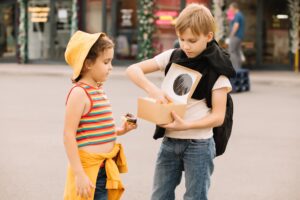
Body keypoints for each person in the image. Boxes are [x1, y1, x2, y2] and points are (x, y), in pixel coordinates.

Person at [126, 4, 235, 200]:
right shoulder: (173, 56)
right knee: (159, 196)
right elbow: (133, 70)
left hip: (199, 144)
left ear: (208, 36)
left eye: (192, 40)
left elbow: (218, 117)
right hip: (169, 141)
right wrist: (154, 90)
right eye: (182, 39)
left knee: (195, 197)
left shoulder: (218, 70)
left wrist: (187, 125)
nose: (186, 46)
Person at [63, 31, 137, 200]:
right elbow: (68, 135)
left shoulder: (98, 89)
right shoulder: (79, 93)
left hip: (103, 170)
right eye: (106, 62)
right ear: (88, 63)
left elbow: (95, 130)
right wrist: (79, 174)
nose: (111, 67)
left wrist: (120, 130)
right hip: (88, 172)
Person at [228, 2, 245, 69]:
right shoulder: (240, 15)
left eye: (230, 8)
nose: (230, 9)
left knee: (232, 51)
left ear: (234, 8)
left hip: (235, 36)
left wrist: (231, 35)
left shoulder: (237, 15)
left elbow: (236, 25)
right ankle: (239, 68)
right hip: (239, 36)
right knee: (237, 52)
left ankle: (235, 68)